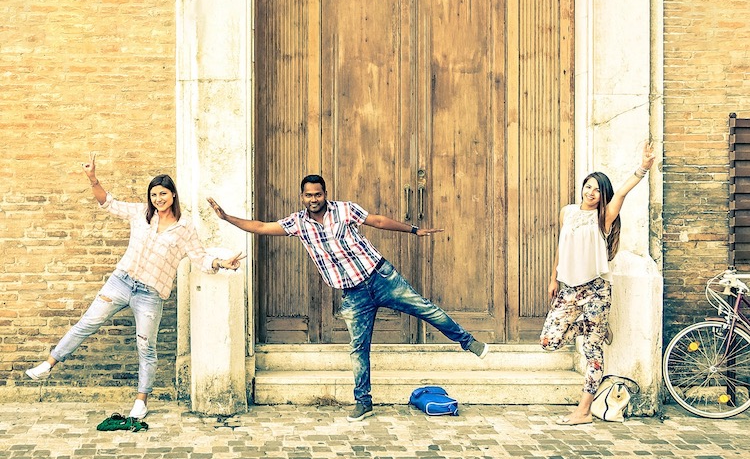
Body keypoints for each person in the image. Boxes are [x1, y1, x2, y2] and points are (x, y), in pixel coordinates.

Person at [207, 174, 489, 422]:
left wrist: (414, 230)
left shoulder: (345, 210)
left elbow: (377, 221)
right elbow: (261, 227)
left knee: (425, 309)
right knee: (358, 348)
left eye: (318, 194)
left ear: (325, 194)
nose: (313, 199)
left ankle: (468, 342)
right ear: (302, 196)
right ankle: (364, 402)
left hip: (381, 278)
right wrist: (227, 218)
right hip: (354, 296)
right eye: (308, 195)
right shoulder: (298, 223)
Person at [25, 153, 244, 420]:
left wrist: (223, 263)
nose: (158, 199)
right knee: (87, 323)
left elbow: (200, 258)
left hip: (150, 294)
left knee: (145, 347)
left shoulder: (185, 228)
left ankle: (141, 400)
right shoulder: (141, 213)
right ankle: (48, 365)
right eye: (154, 195)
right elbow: (108, 203)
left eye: (163, 194)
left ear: (173, 195)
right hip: (121, 282)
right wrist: (93, 178)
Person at [540, 142, 656, 425]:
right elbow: (561, 246)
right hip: (568, 287)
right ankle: (596, 330)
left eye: (597, 190)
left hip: (596, 290)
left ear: (603, 195)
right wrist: (553, 277)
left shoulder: (603, 217)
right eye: (588, 187)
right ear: (582, 187)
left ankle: (583, 411)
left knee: (593, 353)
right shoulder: (567, 212)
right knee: (549, 341)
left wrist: (643, 167)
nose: (591, 193)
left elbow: (625, 190)